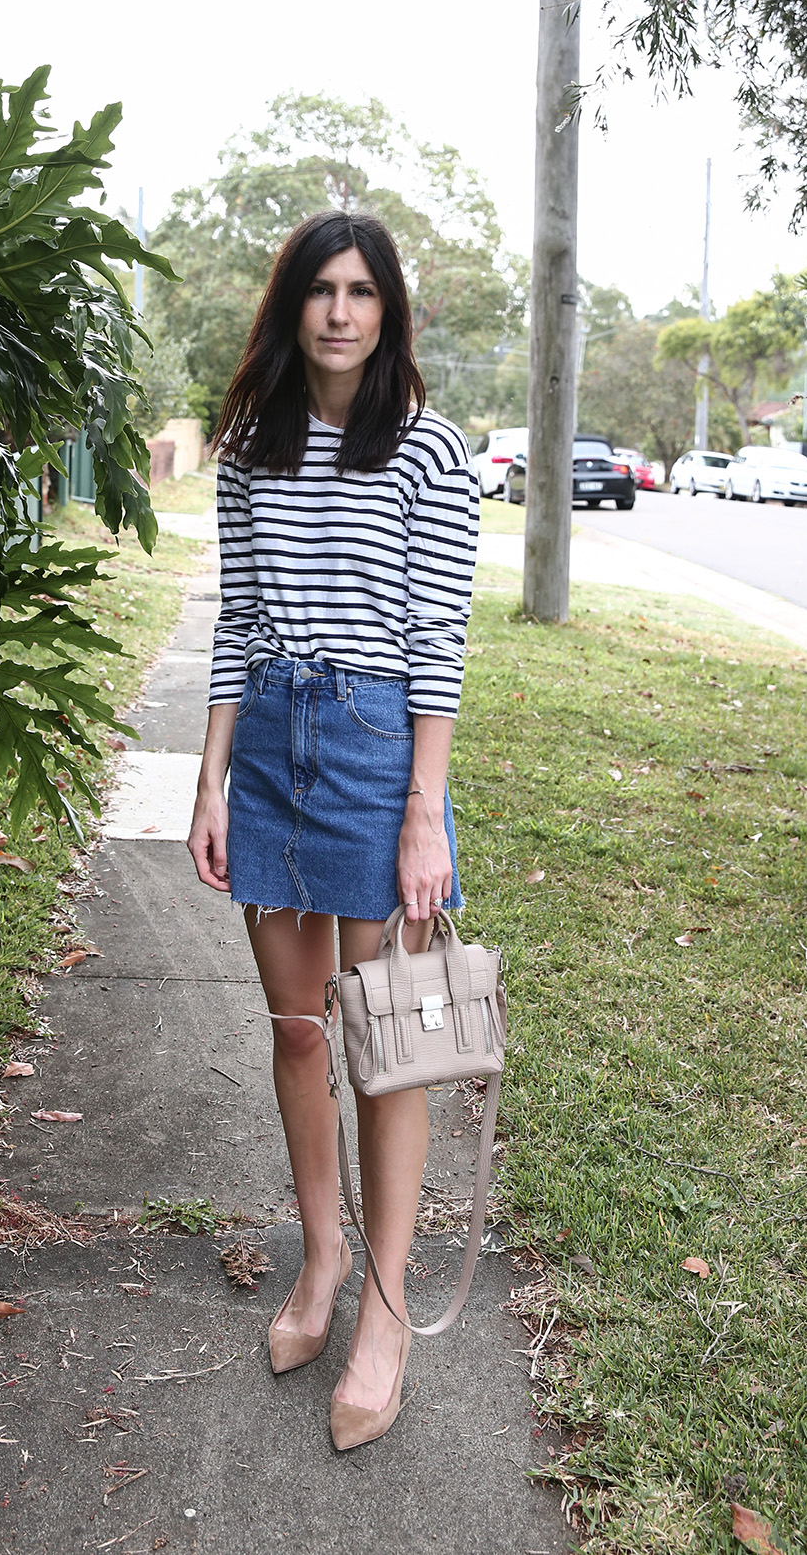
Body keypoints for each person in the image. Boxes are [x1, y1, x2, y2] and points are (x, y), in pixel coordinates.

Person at [185, 209, 479, 1452]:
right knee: (298, 1032)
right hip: (269, 752)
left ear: (387, 307)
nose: (341, 311)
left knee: (384, 1046)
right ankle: (318, 1266)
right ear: (291, 305)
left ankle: (388, 1314)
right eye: (321, 289)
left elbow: (436, 648)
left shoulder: (427, 450)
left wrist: (424, 815)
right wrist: (207, 784)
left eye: (363, 290)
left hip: (371, 749)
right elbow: (237, 622)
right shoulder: (251, 448)